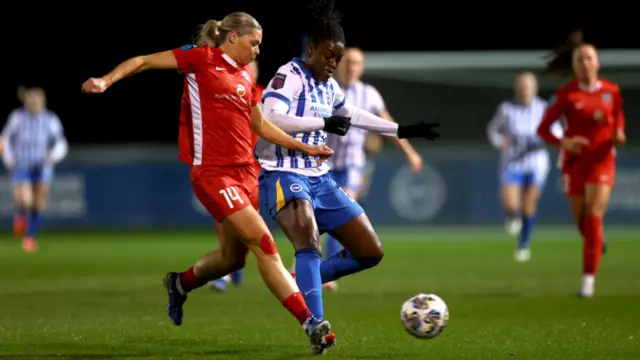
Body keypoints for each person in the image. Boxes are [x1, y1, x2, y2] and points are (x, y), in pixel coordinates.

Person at [81, 12, 352, 352]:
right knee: (265, 243)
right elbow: (143, 62)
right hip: (212, 173)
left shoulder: (245, 80)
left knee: (232, 259)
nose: (257, 51)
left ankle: (179, 284)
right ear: (233, 37)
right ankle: (310, 322)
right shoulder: (201, 59)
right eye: (254, 43)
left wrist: (304, 146)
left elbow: (262, 127)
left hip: (246, 173)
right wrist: (106, 80)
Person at [256, 0, 439, 350]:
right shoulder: (288, 75)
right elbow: (270, 120)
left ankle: (301, 283)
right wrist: (322, 122)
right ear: (310, 49)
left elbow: (352, 112)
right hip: (282, 172)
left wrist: (400, 130)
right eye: (327, 55)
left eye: (337, 58)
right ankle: (316, 325)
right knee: (308, 242)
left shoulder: (328, 86)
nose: (332, 63)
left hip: (321, 177)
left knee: (370, 252)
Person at [292, 47, 425, 290]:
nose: (352, 67)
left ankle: (325, 275)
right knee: (314, 216)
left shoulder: (369, 94)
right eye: (348, 62)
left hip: (352, 164)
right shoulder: (326, 88)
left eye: (357, 63)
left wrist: (410, 152)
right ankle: (305, 263)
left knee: (342, 206)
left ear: (361, 68)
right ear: (341, 64)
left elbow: (387, 125)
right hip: (322, 163)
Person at [537, 43, 626, 298]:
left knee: (594, 216)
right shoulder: (566, 94)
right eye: (579, 59)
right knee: (582, 223)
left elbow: (618, 117)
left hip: (602, 159)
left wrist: (618, 132)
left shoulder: (611, 91)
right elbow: (543, 129)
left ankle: (588, 283)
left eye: (589, 58)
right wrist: (565, 142)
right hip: (574, 162)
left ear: (597, 62)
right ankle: (597, 240)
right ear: (574, 65)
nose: (585, 63)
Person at [486, 72, 563, 262]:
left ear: (535, 88)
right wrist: (500, 141)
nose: (525, 89)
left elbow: (557, 131)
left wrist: (553, 138)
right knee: (510, 203)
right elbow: (493, 130)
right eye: (521, 85)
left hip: (536, 163)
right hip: (513, 162)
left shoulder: (544, 108)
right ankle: (513, 217)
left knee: (529, 204)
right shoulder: (506, 109)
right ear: (516, 88)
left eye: (528, 85)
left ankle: (523, 244)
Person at [210, 60, 262, 292]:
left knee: (246, 224)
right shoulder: (223, 94)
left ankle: (233, 265)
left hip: (255, 171)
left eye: (250, 66)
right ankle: (229, 268)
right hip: (227, 168)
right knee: (224, 221)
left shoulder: (263, 95)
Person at [1, 86, 68, 253]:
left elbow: (61, 142)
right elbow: (5, 139)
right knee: (25, 200)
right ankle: (22, 214)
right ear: (26, 102)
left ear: (43, 102)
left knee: (39, 203)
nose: (34, 104)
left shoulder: (50, 119)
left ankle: (30, 237)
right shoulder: (17, 117)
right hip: (22, 164)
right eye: (31, 101)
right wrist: (8, 158)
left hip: (42, 165)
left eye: (37, 100)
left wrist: (52, 156)